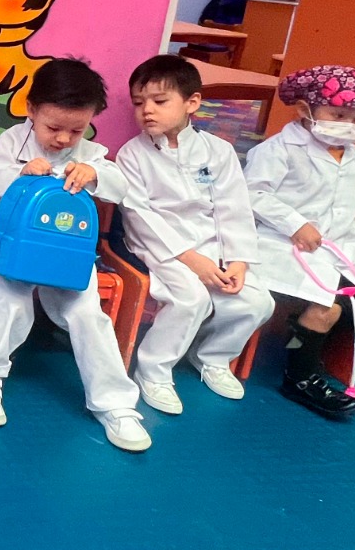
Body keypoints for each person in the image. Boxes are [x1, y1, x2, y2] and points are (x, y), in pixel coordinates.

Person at [0, 58, 151, 453]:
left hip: (66, 253)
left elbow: (121, 187)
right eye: (53, 128)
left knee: (87, 314)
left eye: (76, 130)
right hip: (12, 249)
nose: (64, 139)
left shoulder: (91, 153)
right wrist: (18, 174)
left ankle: (115, 404)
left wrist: (95, 174)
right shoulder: (11, 144)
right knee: (10, 304)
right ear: (31, 109)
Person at [244, 64, 355, 419]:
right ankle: (299, 376)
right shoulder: (278, 149)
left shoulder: (352, 157)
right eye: (338, 115)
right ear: (304, 109)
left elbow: (344, 212)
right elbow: (252, 194)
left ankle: (302, 337)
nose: (348, 125)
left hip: (339, 249)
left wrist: (353, 246)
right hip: (283, 245)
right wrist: (295, 223)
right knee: (327, 307)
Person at [115, 55, 272, 415]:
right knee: (191, 299)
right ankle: (153, 371)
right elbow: (140, 216)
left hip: (213, 245)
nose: (147, 111)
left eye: (159, 101)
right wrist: (191, 260)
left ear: (192, 102)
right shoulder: (132, 155)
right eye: (139, 103)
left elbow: (234, 207)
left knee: (257, 302)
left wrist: (238, 260)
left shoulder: (219, 151)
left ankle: (212, 357)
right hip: (160, 247)